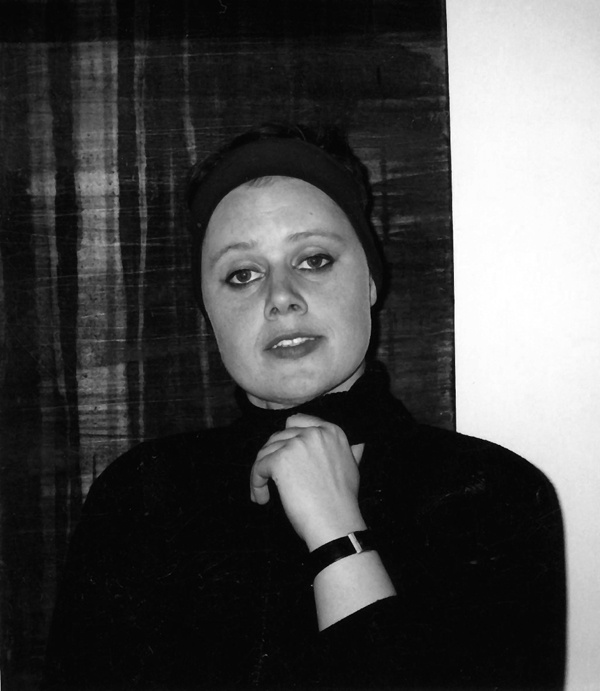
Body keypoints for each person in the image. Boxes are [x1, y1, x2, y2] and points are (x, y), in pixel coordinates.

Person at [43, 123, 566, 690]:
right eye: (242, 274)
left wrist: (336, 532)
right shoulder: (140, 496)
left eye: (314, 259)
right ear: (209, 313)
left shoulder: (495, 496)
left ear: (370, 282)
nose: (281, 297)